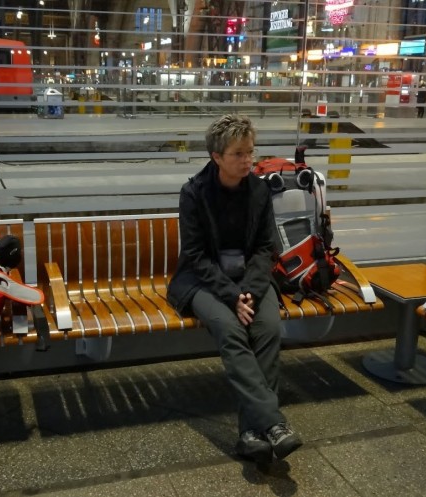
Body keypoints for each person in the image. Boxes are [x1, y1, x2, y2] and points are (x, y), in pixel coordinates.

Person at [167, 114, 303, 464]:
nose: (248, 161)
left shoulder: (258, 189)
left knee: (269, 328)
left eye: (250, 153)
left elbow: (264, 248)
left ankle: (251, 433)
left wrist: (251, 293)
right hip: (203, 280)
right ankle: (273, 422)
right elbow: (195, 256)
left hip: (251, 280)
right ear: (216, 157)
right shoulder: (194, 192)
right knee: (230, 329)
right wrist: (231, 296)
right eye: (239, 154)